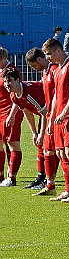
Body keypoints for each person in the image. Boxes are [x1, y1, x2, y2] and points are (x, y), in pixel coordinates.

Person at [42, 38, 69, 203]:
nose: (48, 58)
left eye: (49, 54)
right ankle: (68, 189)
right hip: (59, 117)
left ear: (58, 50)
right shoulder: (57, 69)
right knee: (60, 152)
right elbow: (55, 96)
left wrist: (65, 111)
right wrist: (52, 117)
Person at [2, 67, 47, 193]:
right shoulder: (14, 95)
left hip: (53, 114)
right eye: (5, 81)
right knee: (41, 146)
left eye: (9, 81)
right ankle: (41, 178)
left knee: (50, 148)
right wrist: (34, 133)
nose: (7, 84)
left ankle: (48, 181)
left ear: (17, 80)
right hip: (45, 114)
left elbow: (45, 113)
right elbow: (27, 111)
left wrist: (41, 134)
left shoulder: (29, 93)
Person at [26, 48, 59, 195]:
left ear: (39, 60)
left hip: (57, 116)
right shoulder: (45, 73)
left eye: (34, 66)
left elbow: (58, 95)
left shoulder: (54, 70)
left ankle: (66, 187)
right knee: (47, 149)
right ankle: (46, 180)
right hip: (49, 115)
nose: (34, 69)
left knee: (60, 151)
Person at [0, 47, 23, 187]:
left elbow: (18, 95)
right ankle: (1, 175)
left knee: (12, 143)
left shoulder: (12, 71)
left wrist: (12, 114)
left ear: (3, 59)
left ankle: (11, 177)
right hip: (0, 111)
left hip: (11, 110)